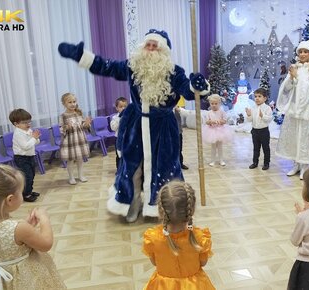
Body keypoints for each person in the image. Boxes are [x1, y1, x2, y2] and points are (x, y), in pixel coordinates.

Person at [58, 29, 209, 222]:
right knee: (132, 167)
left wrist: (197, 86)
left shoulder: (174, 71)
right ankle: (131, 204)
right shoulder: (133, 66)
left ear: (163, 51)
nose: (151, 49)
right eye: (149, 44)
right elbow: (107, 67)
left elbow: (188, 92)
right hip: (136, 125)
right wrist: (82, 56)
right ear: (143, 47)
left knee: (164, 168)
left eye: (156, 46)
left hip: (163, 128)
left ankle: (164, 207)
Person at [0, 165, 66, 289]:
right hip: (22, 280)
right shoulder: (19, 228)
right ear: (10, 200)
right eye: (20, 192)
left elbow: (6, 239)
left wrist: (26, 227)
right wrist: (44, 219)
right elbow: (46, 244)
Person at [142, 181, 215, 289]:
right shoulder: (200, 237)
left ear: (161, 211)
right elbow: (203, 263)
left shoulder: (153, 238)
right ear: (191, 210)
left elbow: (154, 263)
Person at [276, 40, 309, 180]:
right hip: (294, 106)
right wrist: (290, 78)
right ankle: (295, 164)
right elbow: (287, 88)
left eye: (305, 51)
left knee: (305, 136)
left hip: (307, 107)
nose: (302, 54)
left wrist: (297, 76)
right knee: (294, 134)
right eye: (300, 51)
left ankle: (304, 166)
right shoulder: (295, 67)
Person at [59, 92, 92, 185]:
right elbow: (61, 129)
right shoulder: (63, 116)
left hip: (80, 139)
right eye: (70, 102)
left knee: (80, 159)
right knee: (70, 160)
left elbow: (83, 126)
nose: (73, 104)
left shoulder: (78, 113)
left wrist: (86, 123)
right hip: (70, 141)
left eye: (74, 101)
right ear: (64, 104)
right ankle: (71, 177)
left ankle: (81, 175)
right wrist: (67, 127)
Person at [9, 108, 41, 202]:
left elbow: (36, 142)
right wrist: (34, 138)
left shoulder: (28, 130)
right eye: (25, 122)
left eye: (29, 121)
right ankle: (26, 195)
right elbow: (26, 146)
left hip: (30, 156)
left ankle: (29, 191)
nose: (28, 124)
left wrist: (36, 138)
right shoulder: (18, 134)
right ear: (16, 124)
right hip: (21, 158)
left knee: (31, 175)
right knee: (27, 176)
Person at [246, 88, 273, 170]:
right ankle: (255, 162)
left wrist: (263, 116)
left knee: (266, 148)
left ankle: (266, 163)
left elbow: (269, 119)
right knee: (256, 148)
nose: (257, 98)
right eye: (255, 96)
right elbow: (250, 120)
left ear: (265, 98)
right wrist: (249, 115)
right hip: (255, 131)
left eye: (259, 96)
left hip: (264, 131)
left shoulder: (267, 108)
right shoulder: (253, 107)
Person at [203, 94, 233, 167]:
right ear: (210, 103)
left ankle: (221, 160)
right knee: (213, 147)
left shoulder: (222, 111)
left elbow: (225, 120)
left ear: (219, 104)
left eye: (216, 104)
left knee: (220, 147)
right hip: (212, 131)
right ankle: (212, 160)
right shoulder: (208, 112)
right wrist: (211, 122)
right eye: (212, 103)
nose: (214, 105)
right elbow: (207, 122)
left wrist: (220, 121)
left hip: (221, 131)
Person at [110, 97, 128, 171]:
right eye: (121, 107)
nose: (123, 109)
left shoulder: (130, 117)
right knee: (119, 155)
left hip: (128, 139)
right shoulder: (115, 117)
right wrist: (120, 118)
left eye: (125, 107)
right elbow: (113, 128)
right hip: (119, 140)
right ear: (117, 108)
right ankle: (119, 170)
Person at [174, 103, 189, 170]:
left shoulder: (177, 108)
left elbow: (187, 114)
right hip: (167, 132)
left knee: (179, 149)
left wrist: (179, 109)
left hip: (178, 132)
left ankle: (180, 163)